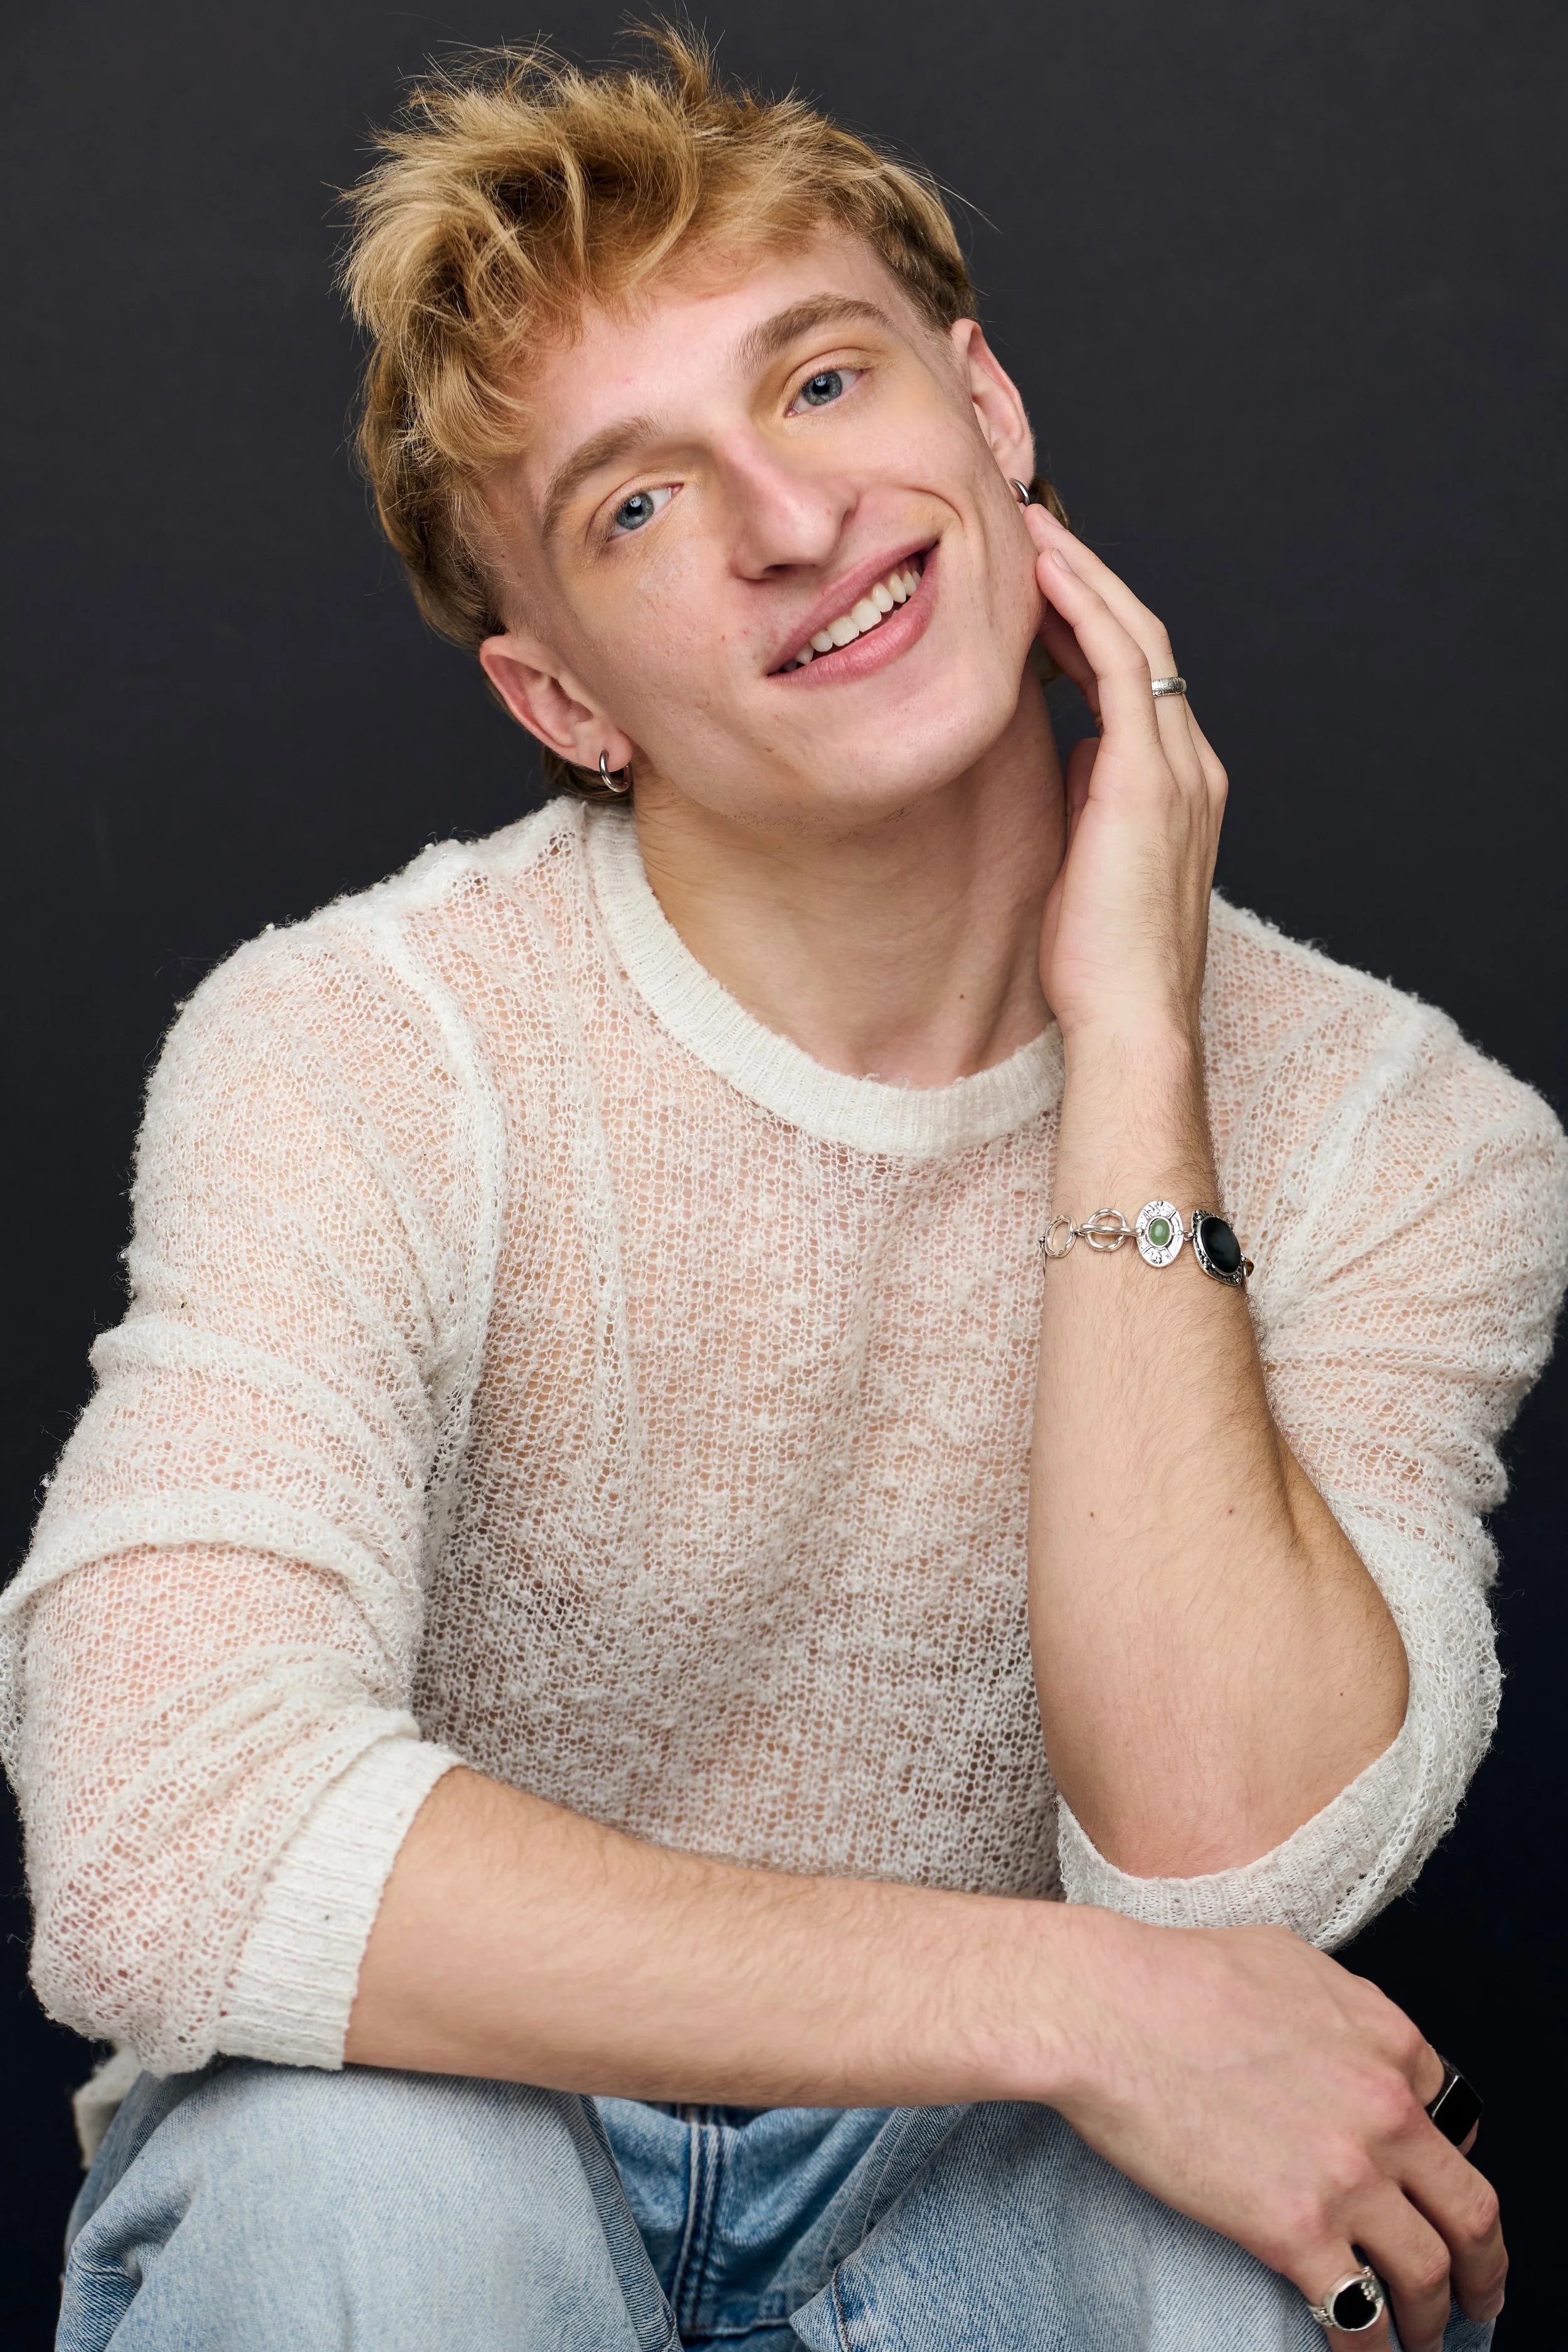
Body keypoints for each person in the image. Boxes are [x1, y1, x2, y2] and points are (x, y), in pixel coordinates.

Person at [4, 33, 1564, 2352]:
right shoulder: (362, 1040)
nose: (786, 519)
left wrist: (1133, 1042)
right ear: (562, 703)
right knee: (364, 2190)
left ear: (986, 406)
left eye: (823, 384)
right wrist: (1083, 2009)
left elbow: (1233, 1861)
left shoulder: (1405, 1136)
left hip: (984, 2190)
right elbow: (158, 1833)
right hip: (448, 2132)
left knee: (1209, 2263)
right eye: (638, 504)